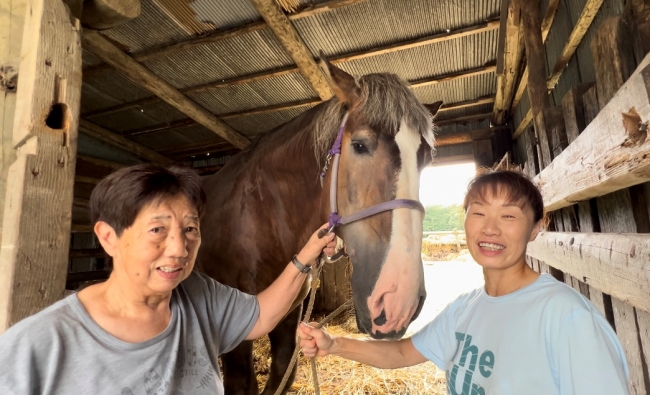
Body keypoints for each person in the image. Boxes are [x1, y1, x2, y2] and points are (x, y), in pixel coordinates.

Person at [0, 163, 336, 394]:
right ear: (108, 237)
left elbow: (260, 316)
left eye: (190, 229)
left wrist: (307, 254)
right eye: (157, 230)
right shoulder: (35, 346)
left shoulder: (198, 293)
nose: (179, 248)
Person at [299, 169, 630, 395]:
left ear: (536, 228)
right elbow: (401, 353)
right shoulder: (465, 308)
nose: (490, 229)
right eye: (479, 212)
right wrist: (335, 344)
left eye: (509, 215)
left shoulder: (568, 317)